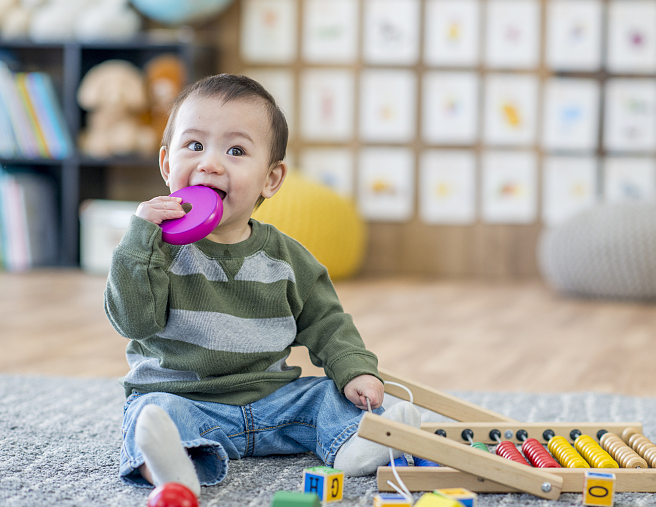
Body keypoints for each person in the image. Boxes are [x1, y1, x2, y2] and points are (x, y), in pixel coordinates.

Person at [104, 73, 421, 496]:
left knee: (327, 398)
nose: (210, 163)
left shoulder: (287, 258)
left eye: (235, 150)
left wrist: (355, 371)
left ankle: (359, 442)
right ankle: (172, 467)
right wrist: (138, 240)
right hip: (186, 397)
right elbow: (134, 322)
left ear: (270, 179)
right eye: (194, 145)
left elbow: (327, 322)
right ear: (166, 164)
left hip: (274, 402)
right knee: (153, 413)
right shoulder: (153, 250)